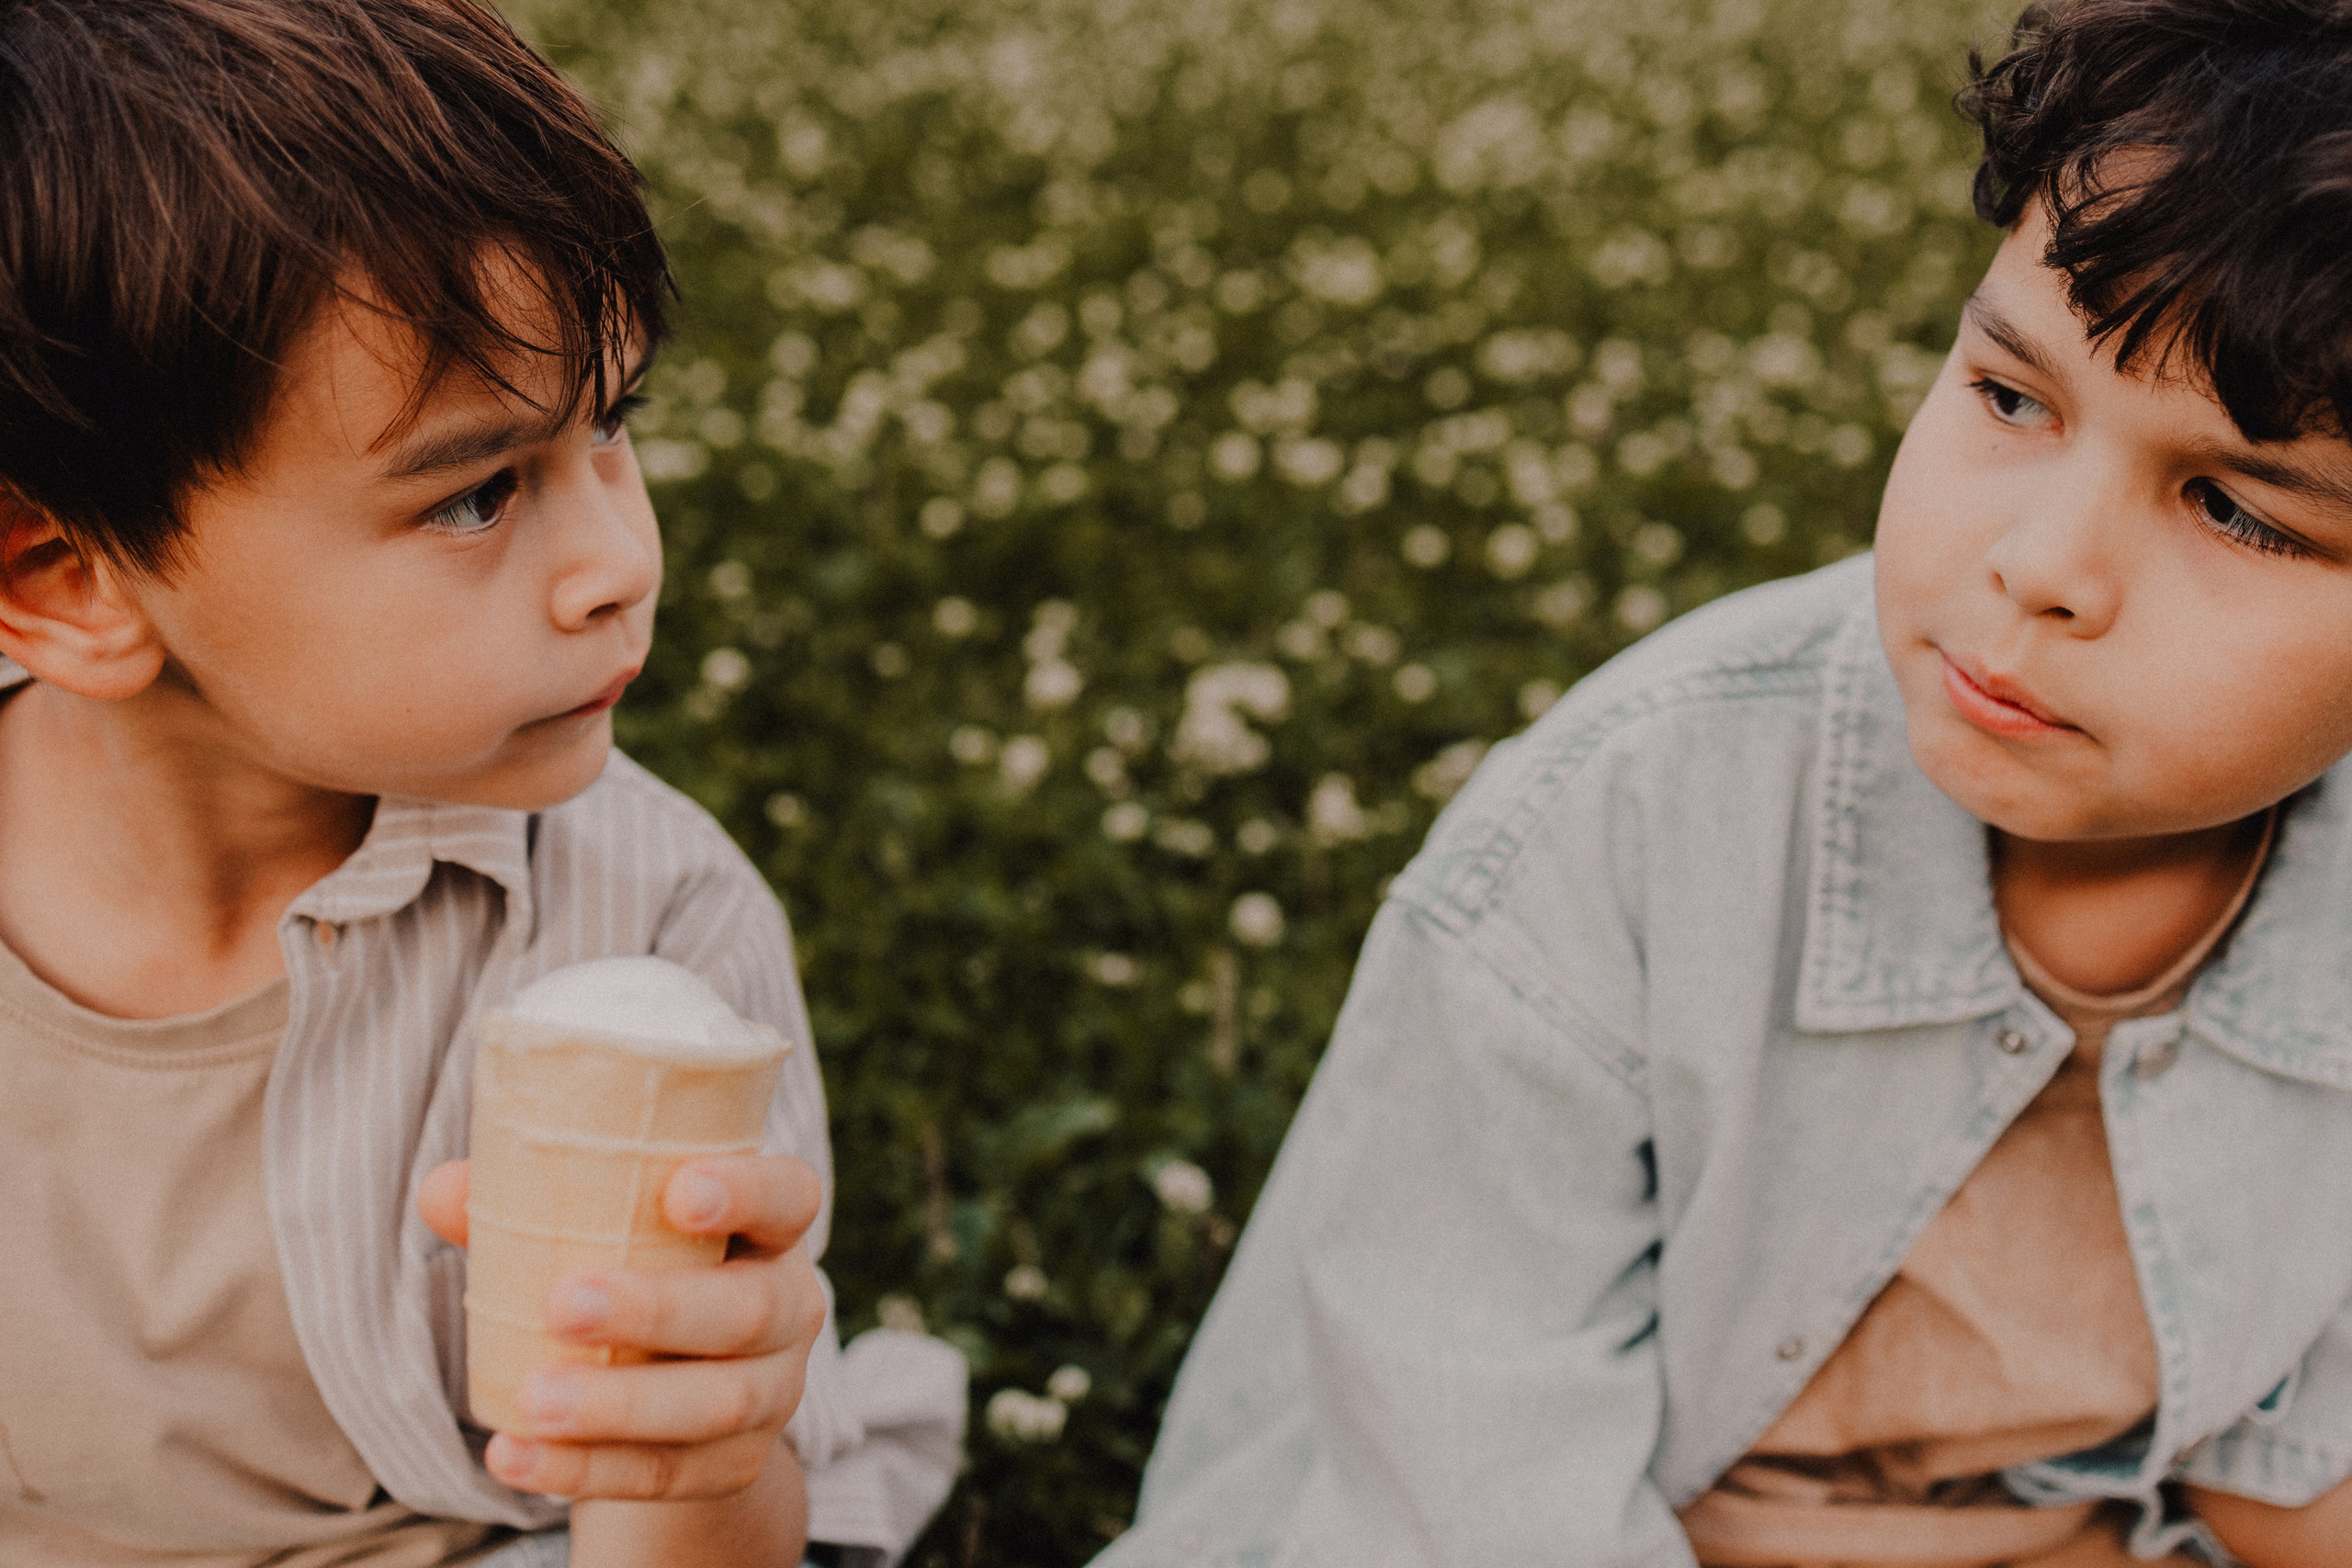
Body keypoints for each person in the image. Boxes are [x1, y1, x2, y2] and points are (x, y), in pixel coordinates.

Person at [1092, 0, 2352, 1563]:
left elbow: (2299, 1470)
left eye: (2236, 510)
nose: (2040, 569)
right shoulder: (1618, 834)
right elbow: (1465, 1483)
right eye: (2011, 397)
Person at [0, 2, 963, 1565]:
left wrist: (700, 1457)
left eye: (616, 429)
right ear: (67, 581)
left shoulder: (652, 928)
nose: (619, 566)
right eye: (477, 495)